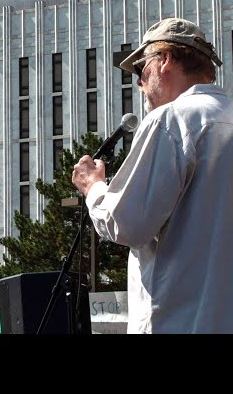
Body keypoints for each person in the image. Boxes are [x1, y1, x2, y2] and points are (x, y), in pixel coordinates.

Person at [71, 17, 233, 334]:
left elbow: (127, 223)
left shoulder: (172, 121)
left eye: (140, 69)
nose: (139, 83)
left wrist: (93, 187)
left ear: (165, 60)